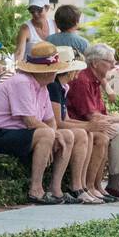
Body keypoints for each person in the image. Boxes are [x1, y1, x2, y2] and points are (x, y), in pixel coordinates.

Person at [0, 41, 73, 205]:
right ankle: (36, 190)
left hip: (17, 133)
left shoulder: (42, 87)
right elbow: (29, 121)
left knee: (69, 135)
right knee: (47, 133)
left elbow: (50, 120)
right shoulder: (22, 81)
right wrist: (52, 135)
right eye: (54, 67)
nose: (57, 71)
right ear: (45, 71)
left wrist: (54, 135)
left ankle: (56, 189)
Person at [66, 43, 119, 201]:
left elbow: (100, 113)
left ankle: (116, 181)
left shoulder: (95, 79)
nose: (114, 64)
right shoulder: (82, 80)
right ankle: (112, 183)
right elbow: (93, 117)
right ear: (95, 63)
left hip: (91, 123)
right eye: (109, 61)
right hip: (80, 124)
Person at [48, 47, 106, 204]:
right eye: (75, 70)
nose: (77, 73)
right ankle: (76, 187)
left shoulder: (62, 87)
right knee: (82, 133)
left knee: (89, 133)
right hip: (50, 128)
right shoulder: (53, 86)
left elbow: (65, 117)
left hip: (58, 125)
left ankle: (82, 186)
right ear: (69, 71)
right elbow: (58, 122)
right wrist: (88, 126)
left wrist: (89, 126)